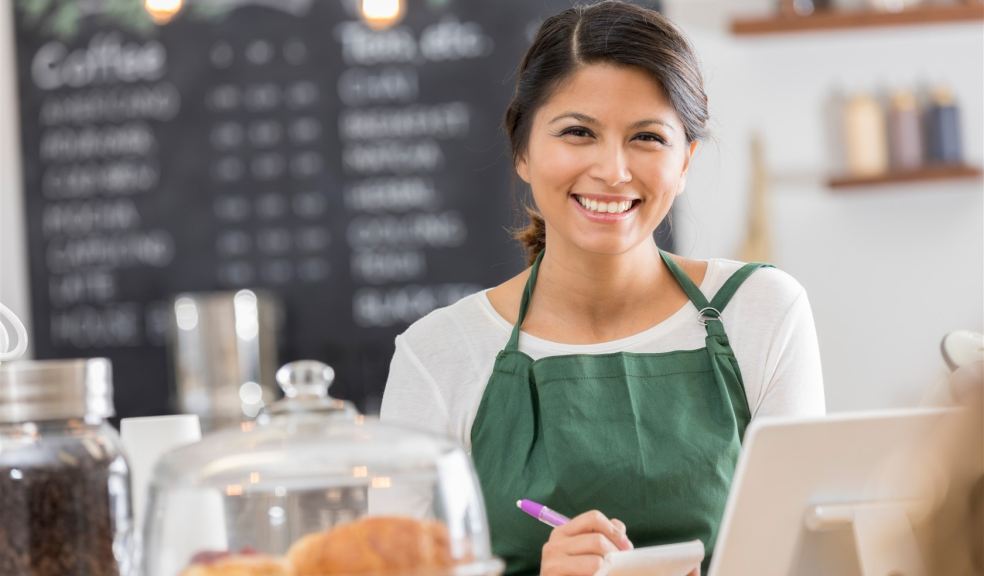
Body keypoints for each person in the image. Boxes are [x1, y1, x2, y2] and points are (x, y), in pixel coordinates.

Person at [380, 2, 825, 575]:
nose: (613, 170)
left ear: (685, 160)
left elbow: (804, 559)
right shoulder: (436, 356)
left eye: (646, 137)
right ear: (522, 149)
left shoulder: (763, 312)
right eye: (578, 132)